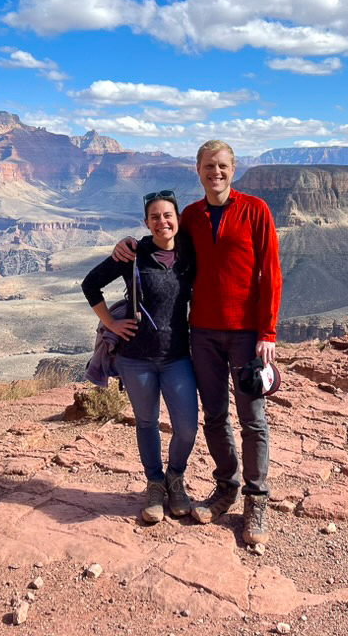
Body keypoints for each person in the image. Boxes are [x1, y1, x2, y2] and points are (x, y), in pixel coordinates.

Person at [114, 140, 282, 546]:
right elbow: (162, 238)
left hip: (245, 335)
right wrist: (127, 247)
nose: (216, 172)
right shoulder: (190, 215)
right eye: (209, 166)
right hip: (202, 333)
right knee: (215, 417)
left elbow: (271, 274)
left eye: (223, 166)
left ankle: (255, 502)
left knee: (253, 419)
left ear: (233, 168)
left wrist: (268, 333)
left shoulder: (255, 209)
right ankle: (227, 489)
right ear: (198, 170)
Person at [81, 191, 198, 523]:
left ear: (177, 219)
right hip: (135, 358)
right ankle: (155, 485)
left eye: (168, 215)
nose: (162, 222)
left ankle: (176, 477)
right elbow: (91, 285)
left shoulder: (190, 251)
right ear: (147, 222)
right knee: (146, 422)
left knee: (187, 427)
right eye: (155, 217)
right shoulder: (133, 253)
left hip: (177, 356)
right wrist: (111, 324)